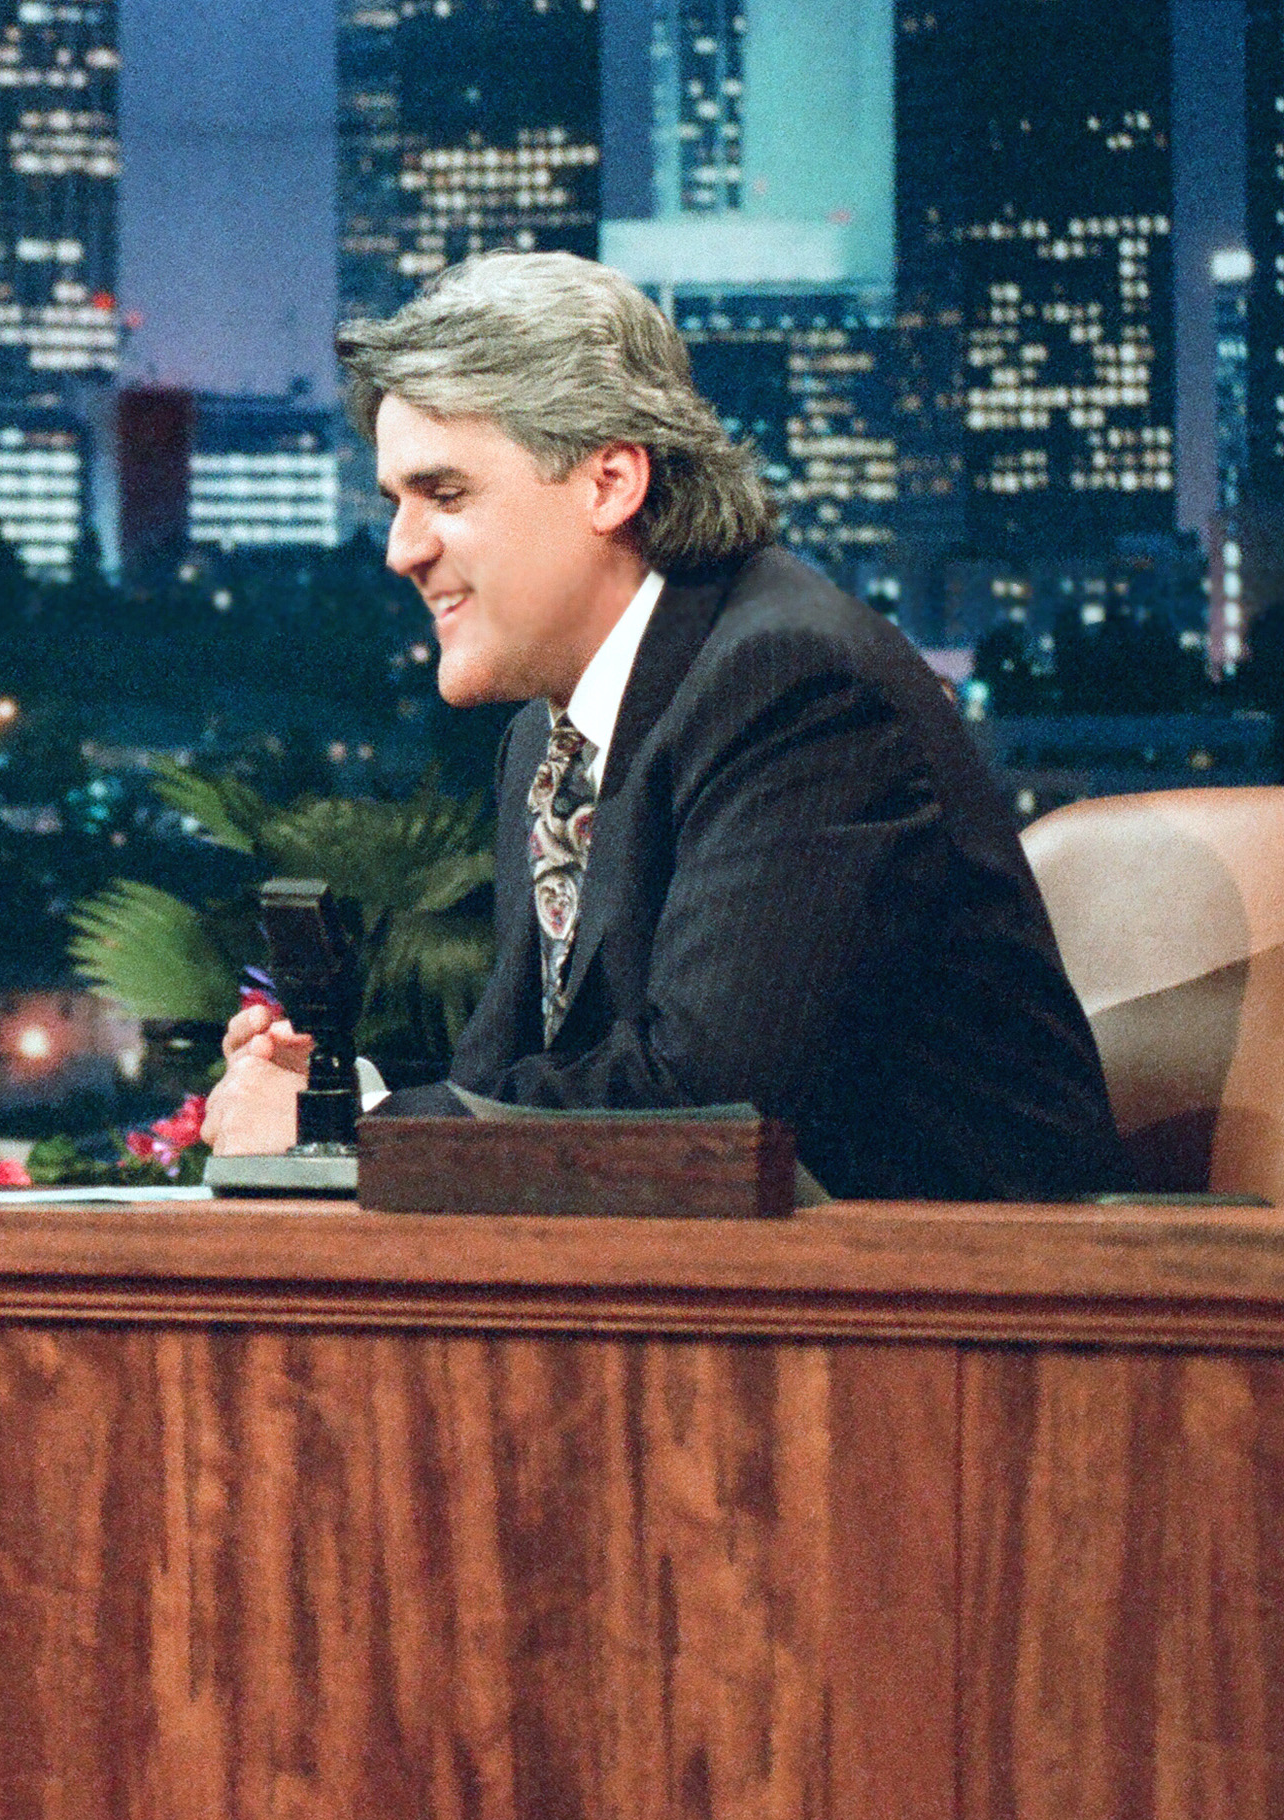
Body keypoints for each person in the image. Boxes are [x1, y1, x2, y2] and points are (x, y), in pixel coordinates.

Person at [202, 253, 1127, 1200]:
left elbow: (706, 1107)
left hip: (979, 1311)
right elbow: (520, 1091)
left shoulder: (794, 686)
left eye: (445, 494)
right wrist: (333, 1104)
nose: (402, 549)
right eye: (396, 502)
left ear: (609, 482)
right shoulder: (547, 734)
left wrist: (361, 1134)